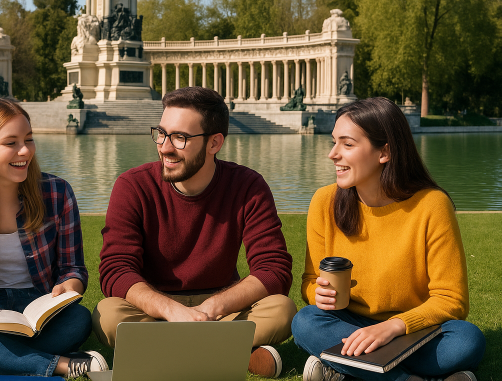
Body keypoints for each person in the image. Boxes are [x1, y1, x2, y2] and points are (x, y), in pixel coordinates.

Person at [93, 86, 297, 378]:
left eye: (180, 138)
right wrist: (171, 311)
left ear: (214, 143)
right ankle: (231, 354)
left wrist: (211, 308)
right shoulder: (132, 185)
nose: (164, 147)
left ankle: (161, 352)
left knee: (282, 309)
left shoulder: (248, 186)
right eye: (161, 133)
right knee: (108, 315)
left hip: (221, 309)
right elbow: (116, 269)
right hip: (155, 310)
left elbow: (274, 269)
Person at [292, 97, 486, 381]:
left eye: (347, 144)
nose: (333, 154)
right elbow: (310, 281)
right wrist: (317, 293)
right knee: (306, 322)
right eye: (334, 142)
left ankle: (346, 370)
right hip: (350, 325)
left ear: (384, 152)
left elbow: (451, 299)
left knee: (466, 341)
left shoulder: (432, 205)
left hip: (413, 330)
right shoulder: (324, 201)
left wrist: (393, 327)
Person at [0, 98, 107, 378]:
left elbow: (73, 268)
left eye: (29, 139)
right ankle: (66, 365)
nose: (25, 151)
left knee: (80, 319)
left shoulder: (57, 192)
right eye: (11, 142)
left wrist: (69, 287)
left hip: (42, 305)